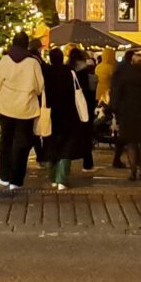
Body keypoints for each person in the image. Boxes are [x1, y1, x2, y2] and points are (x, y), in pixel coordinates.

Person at [0, 32, 46, 189]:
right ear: (26, 45)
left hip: (6, 108)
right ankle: (16, 179)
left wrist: (2, 96)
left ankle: (4, 175)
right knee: (22, 145)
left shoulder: (4, 60)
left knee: (6, 142)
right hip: (26, 109)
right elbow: (40, 87)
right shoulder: (33, 63)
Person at [42, 48, 88, 189]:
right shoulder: (70, 72)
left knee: (51, 143)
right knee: (66, 145)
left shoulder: (46, 72)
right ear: (62, 58)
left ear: (50, 58)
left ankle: (53, 177)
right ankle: (62, 179)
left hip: (50, 113)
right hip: (69, 113)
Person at [111, 47, 141, 178]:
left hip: (128, 112)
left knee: (131, 143)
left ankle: (133, 170)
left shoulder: (125, 75)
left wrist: (115, 109)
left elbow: (117, 94)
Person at [70, 47, 98, 171]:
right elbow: (90, 92)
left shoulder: (68, 71)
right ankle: (88, 163)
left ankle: (66, 162)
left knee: (70, 136)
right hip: (85, 108)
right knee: (86, 136)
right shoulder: (85, 73)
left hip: (70, 108)